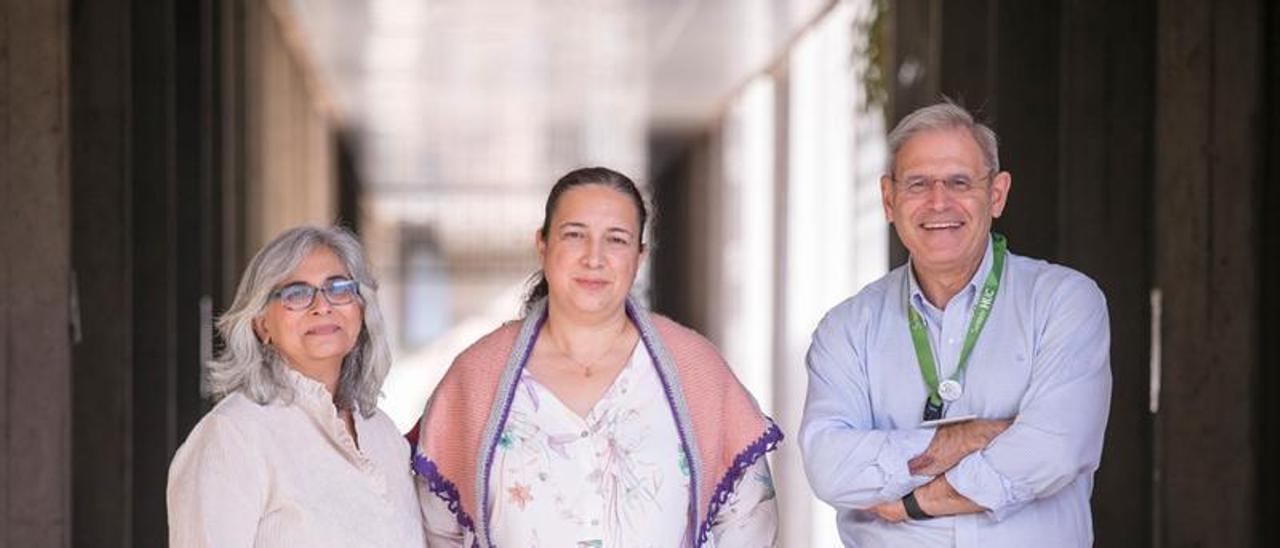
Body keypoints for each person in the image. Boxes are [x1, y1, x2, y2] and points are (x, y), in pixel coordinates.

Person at [410, 167, 781, 547]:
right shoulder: (477, 375)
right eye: (574, 235)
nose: (594, 257)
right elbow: (436, 529)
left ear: (640, 256)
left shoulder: (694, 367)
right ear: (542, 244)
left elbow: (749, 514)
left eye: (616, 240)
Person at [799, 101, 1111, 547]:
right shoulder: (847, 329)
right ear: (889, 199)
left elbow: (1053, 450)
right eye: (918, 183)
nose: (938, 201)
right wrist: (972, 436)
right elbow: (830, 468)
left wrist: (915, 502)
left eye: (960, 182)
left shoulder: (1063, 302)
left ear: (997, 194)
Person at [167, 226, 425, 547]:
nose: (322, 306)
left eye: (339, 288)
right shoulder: (231, 436)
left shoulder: (383, 435)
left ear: (361, 308)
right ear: (262, 325)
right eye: (297, 294)